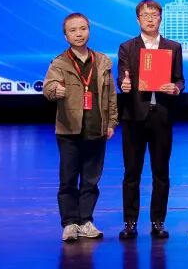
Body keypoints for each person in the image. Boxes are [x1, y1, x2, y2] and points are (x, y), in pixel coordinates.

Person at [43, 13, 117, 242]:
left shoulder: (102, 61)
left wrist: (111, 122)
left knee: (91, 180)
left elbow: (111, 95)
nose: (79, 34)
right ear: (65, 36)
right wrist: (55, 90)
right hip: (69, 130)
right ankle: (69, 223)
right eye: (73, 30)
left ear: (89, 31)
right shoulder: (59, 62)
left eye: (83, 28)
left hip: (96, 127)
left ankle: (86, 221)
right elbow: (48, 87)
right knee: (68, 179)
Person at [116, 0, 185, 240]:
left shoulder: (173, 47)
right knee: (132, 173)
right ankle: (130, 222)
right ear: (138, 20)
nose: (150, 19)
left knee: (161, 172)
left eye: (154, 14)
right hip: (134, 116)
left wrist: (176, 88)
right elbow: (122, 78)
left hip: (161, 116)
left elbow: (180, 79)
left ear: (160, 18)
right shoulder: (127, 47)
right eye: (145, 15)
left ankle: (158, 221)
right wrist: (124, 84)